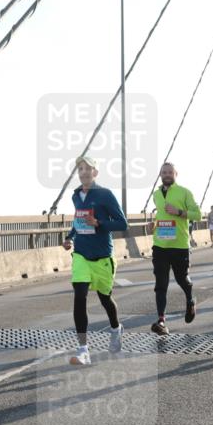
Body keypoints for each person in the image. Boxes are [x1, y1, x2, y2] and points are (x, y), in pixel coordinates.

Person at [62, 155, 127, 366]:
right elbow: (78, 220)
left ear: (95, 172)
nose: (83, 172)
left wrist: (98, 223)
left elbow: (122, 223)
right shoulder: (76, 196)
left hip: (102, 257)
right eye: (80, 169)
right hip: (81, 254)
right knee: (79, 296)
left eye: (87, 168)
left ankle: (116, 328)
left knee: (105, 298)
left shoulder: (105, 195)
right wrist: (69, 237)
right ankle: (83, 350)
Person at [148, 162, 201, 336]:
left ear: (176, 174)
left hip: (179, 246)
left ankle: (190, 299)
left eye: (170, 172)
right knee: (160, 284)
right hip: (160, 246)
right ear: (160, 174)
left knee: (182, 279)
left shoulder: (184, 192)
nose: (167, 174)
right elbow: (161, 217)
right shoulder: (156, 194)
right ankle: (161, 320)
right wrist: (153, 226)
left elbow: (197, 214)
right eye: (164, 172)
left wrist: (178, 212)